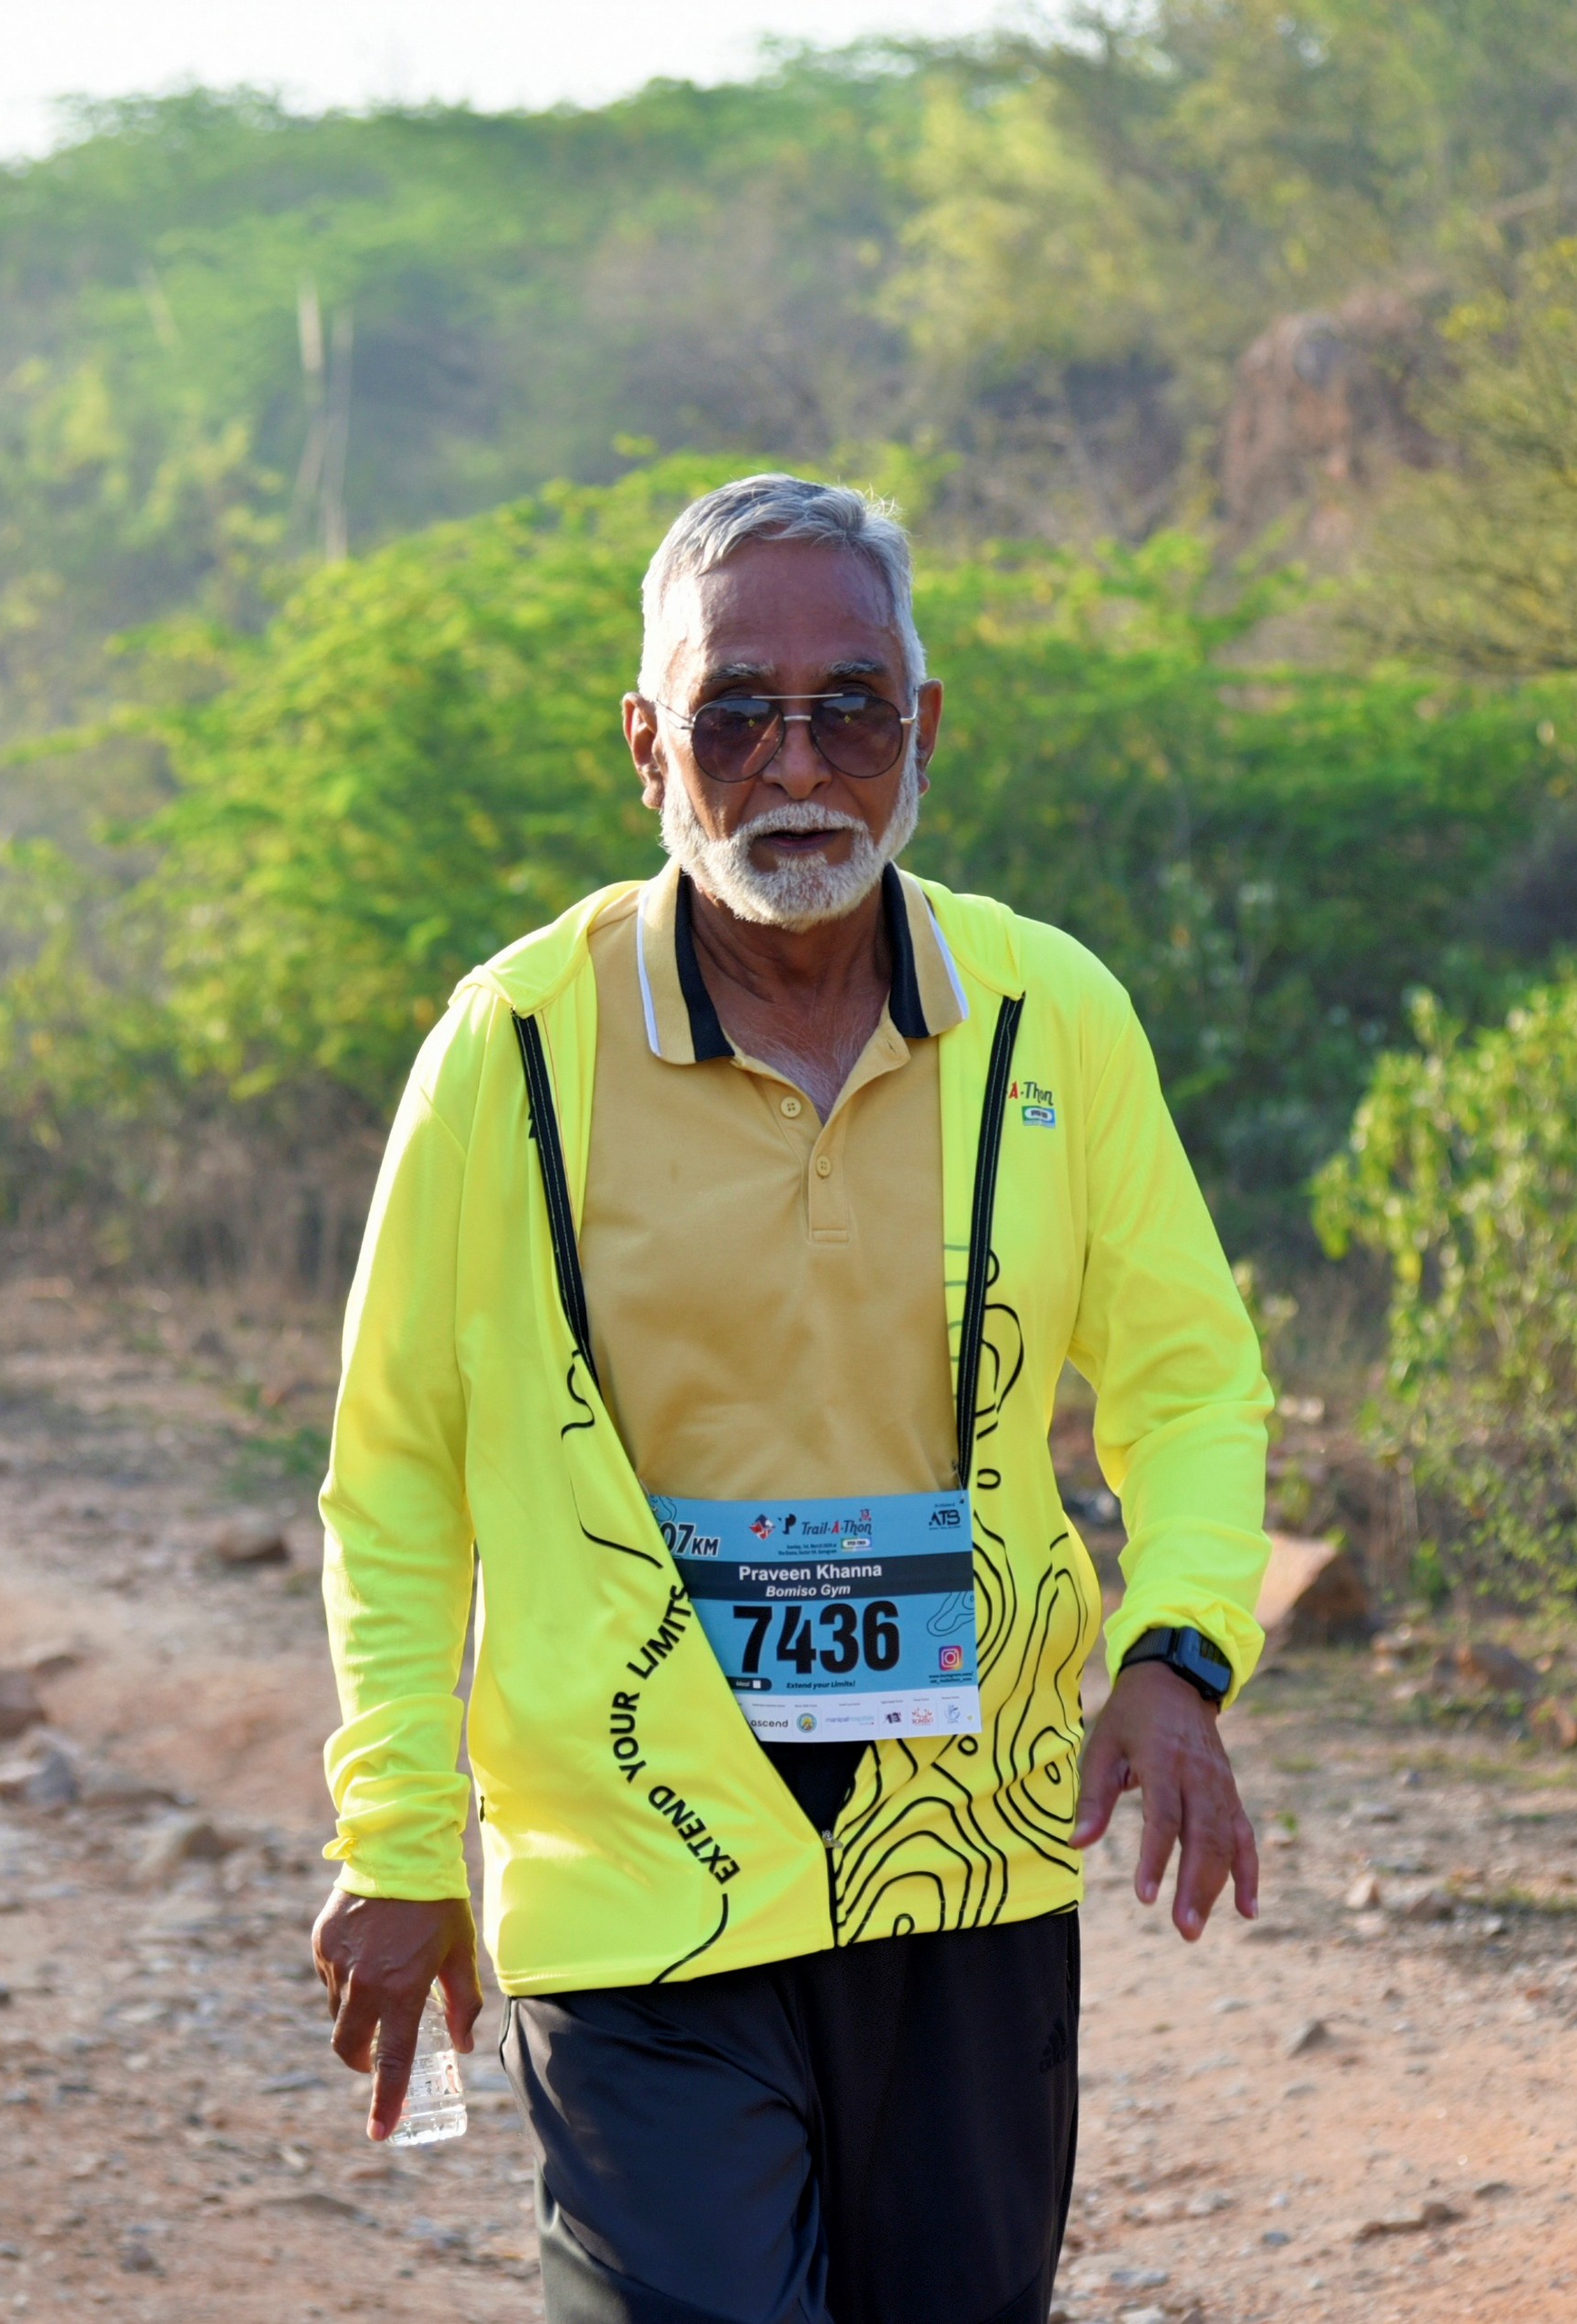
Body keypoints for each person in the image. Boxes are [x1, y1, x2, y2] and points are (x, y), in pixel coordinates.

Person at [308, 474, 1275, 2324]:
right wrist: (398, 1836)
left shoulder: (1049, 1016)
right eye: (736, 712)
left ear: (924, 729)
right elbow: (397, 1476)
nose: (797, 760)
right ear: (647, 746)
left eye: (850, 708)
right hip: (637, 1871)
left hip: (968, 1859)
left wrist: (1179, 1654)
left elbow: (1189, 1378)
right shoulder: (514, 1049)